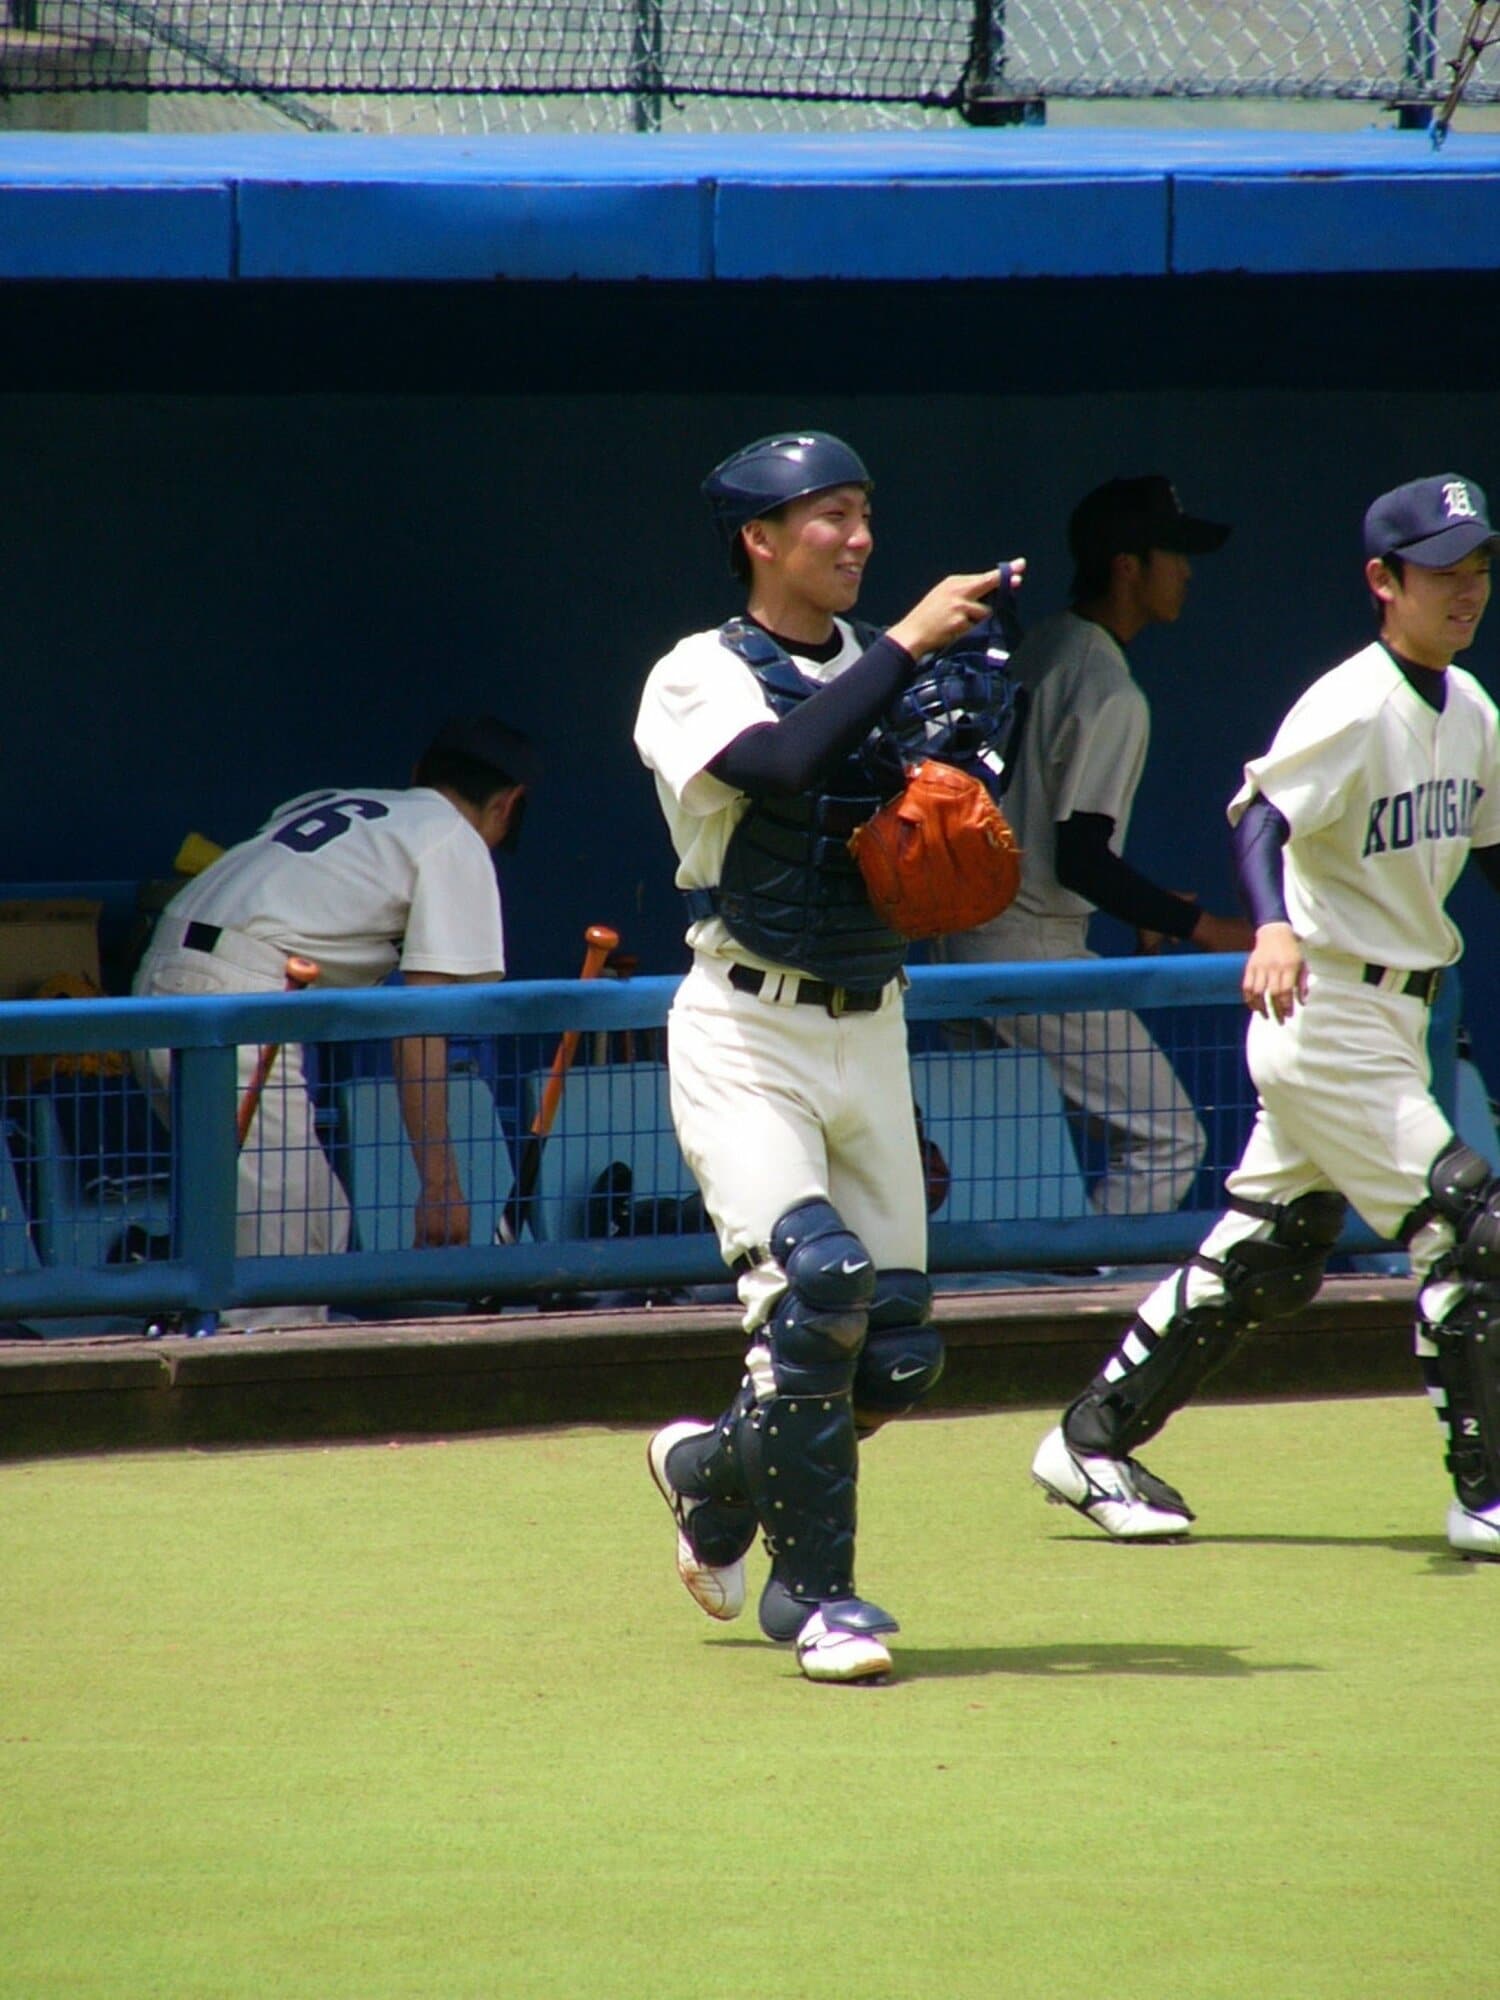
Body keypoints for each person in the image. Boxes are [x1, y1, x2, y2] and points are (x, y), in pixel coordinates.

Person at [1031, 472, 1500, 1561]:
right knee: (1467, 1226)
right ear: (1384, 581)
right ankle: (1485, 1497)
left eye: (1478, 566)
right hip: (1325, 1007)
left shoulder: (1473, 710)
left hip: (1395, 1017)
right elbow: (1260, 816)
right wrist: (1274, 925)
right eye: (1442, 569)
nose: (1467, 587)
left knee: (1271, 1251)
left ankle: (1089, 1440)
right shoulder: (1351, 701)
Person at [634, 430, 1021, 1683]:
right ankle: (819, 1598)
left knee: (897, 1350)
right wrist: (910, 642)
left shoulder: (888, 661)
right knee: (821, 1293)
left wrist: (968, 750)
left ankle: (711, 1468)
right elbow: (779, 762)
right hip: (747, 1028)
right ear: (758, 538)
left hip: (872, 1022)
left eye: (863, 512)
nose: (856, 536)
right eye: (827, 515)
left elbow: (937, 805)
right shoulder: (697, 669)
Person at [133, 716, 535, 1329]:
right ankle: (253, 1379)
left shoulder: (336, 802)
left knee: (317, 1216)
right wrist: (440, 1183)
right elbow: (419, 1025)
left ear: (419, 776)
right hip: (238, 1004)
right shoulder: (452, 837)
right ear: (507, 803)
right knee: (280, 1264)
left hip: (162, 986)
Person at [930, 475, 1253, 1215]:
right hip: (1030, 953)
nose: (1187, 571)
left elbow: (1056, 839)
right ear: (1128, 567)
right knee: (1169, 1138)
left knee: (999, 1170)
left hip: (963, 942)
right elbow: (1080, 856)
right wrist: (1202, 926)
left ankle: (1017, 1283)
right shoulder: (1108, 687)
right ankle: (1108, 1286)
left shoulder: (1044, 646)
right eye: (1173, 553)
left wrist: (1149, 903)